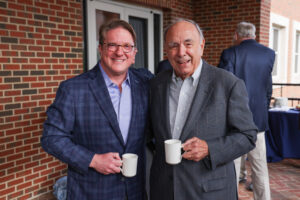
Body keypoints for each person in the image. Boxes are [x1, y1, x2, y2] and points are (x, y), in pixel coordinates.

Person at [41, 19, 153, 200]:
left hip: (134, 191)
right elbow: (51, 138)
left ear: (134, 53)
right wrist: (93, 160)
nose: (119, 52)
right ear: (100, 48)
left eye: (126, 46)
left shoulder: (145, 84)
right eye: (112, 45)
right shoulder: (73, 89)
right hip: (92, 192)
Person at [148, 19, 257, 200]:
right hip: (164, 189)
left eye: (188, 44)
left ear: (201, 45)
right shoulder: (156, 84)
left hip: (209, 191)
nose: (181, 52)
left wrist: (210, 148)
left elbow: (247, 136)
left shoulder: (228, 84)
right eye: (174, 45)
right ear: (166, 50)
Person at [218, 21, 274, 200]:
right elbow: (268, 88)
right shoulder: (269, 54)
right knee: (260, 167)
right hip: (258, 121)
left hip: (234, 121)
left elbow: (223, 88)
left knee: (232, 168)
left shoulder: (230, 53)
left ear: (236, 35)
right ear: (254, 35)